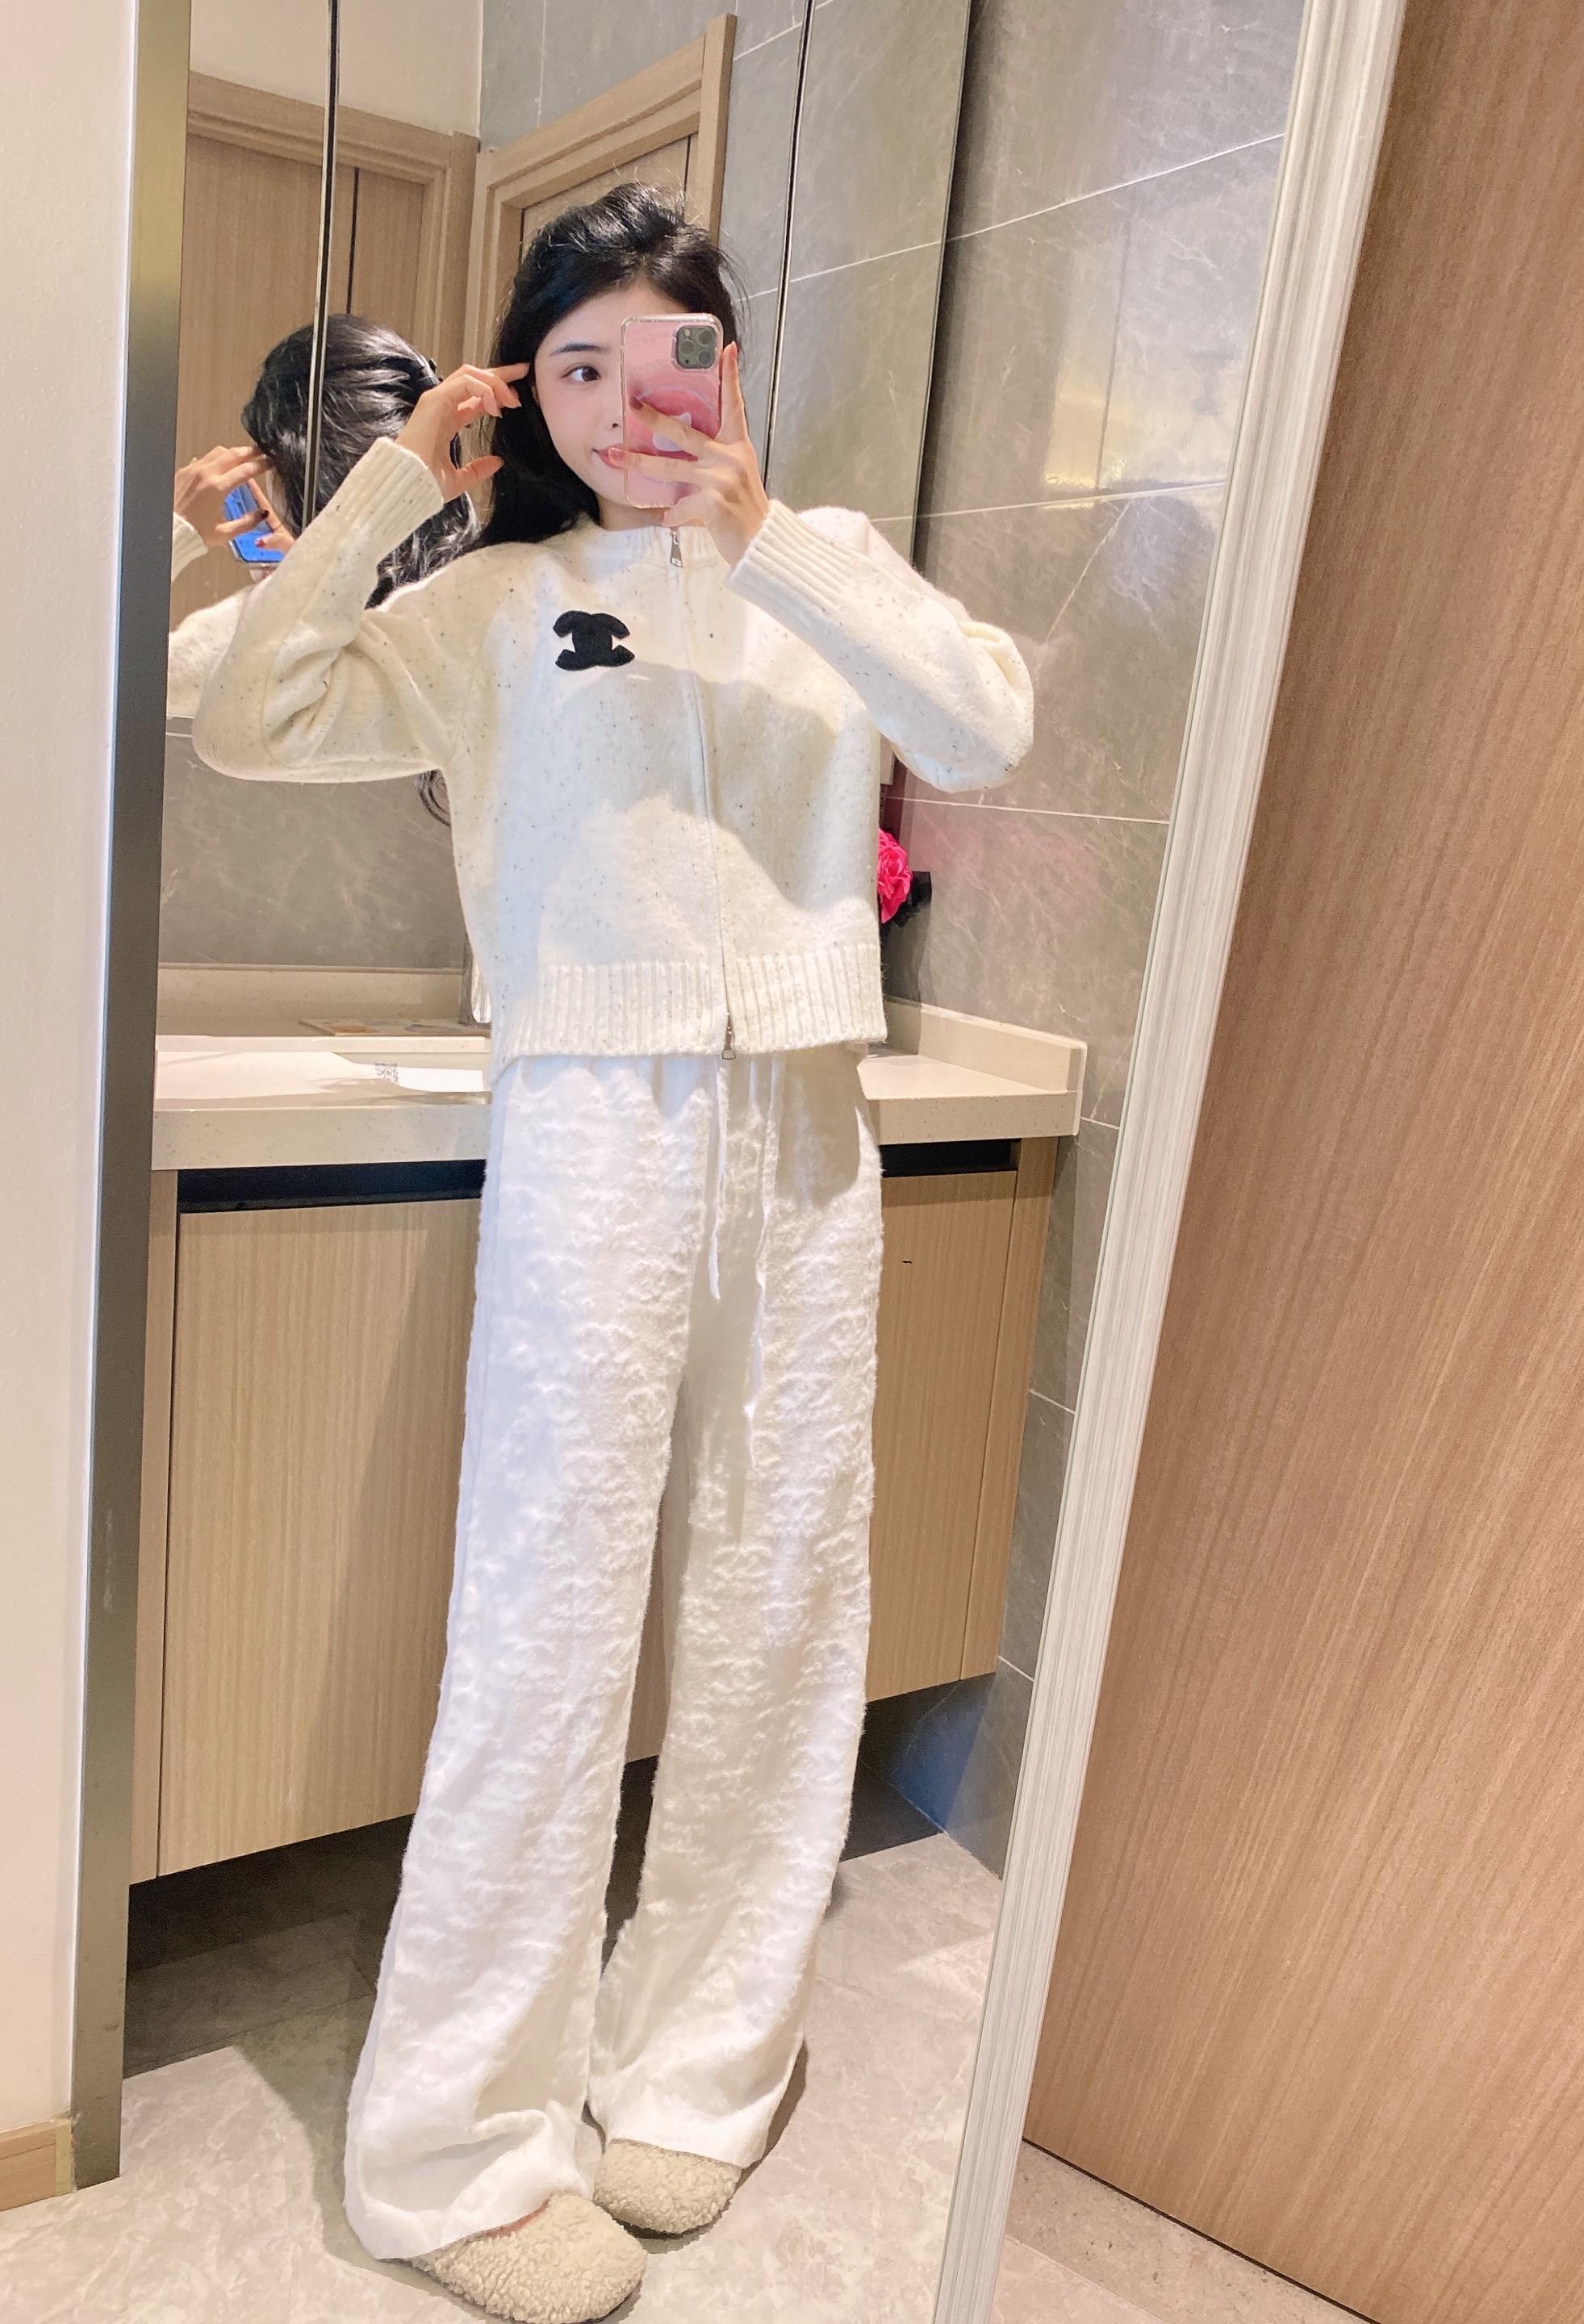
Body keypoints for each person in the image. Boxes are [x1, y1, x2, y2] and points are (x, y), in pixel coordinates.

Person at [194, 182, 1033, 2324]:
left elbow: (981, 727)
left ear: (726, 367)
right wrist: (395, 482)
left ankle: (703, 2057)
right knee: (547, 1616)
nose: (626, 396)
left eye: (671, 352)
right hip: (592, 1111)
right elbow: (255, 714)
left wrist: (771, 542)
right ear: (530, 391)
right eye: (577, 361)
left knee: (783, 1592)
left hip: (806, 1115)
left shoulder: (820, 566)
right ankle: (456, 2148)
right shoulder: (494, 603)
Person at [166, 316, 476, 818]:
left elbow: (106, 689)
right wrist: (306, 583)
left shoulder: (447, 635)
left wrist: (174, 535)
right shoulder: (477, 607)